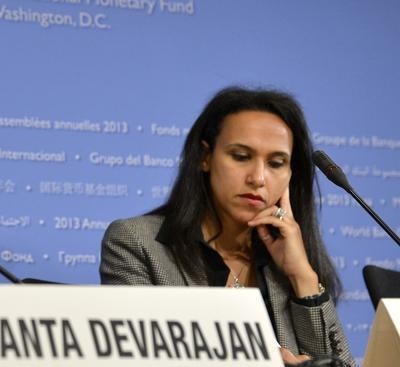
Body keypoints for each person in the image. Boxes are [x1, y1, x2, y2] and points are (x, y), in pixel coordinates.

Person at [100, 86, 354, 366]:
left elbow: (339, 363)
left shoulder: (287, 264)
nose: (258, 178)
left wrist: (302, 276)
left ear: (290, 175)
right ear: (205, 157)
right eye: (241, 156)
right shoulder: (137, 243)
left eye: (276, 163)